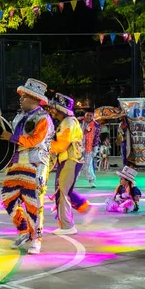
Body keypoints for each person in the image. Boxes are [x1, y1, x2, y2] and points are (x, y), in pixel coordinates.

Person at [0, 79, 54, 254]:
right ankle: (24, 230)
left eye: (24, 96)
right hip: (17, 162)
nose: (20, 99)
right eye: (22, 96)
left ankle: (36, 238)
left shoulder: (44, 118)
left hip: (36, 164)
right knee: (8, 198)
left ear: (34, 99)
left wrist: (12, 138)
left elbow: (35, 140)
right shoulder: (19, 116)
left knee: (35, 203)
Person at [48, 93, 94, 235]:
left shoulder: (68, 122)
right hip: (67, 160)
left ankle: (68, 226)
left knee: (63, 190)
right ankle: (83, 210)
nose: (51, 110)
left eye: (53, 107)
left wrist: (44, 144)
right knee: (63, 190)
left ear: (60, 108)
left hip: (71, 160)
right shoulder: (65, 122)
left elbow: (61, 145)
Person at [80, 108, 100, 188]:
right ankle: (72, 181)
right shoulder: (78, 121)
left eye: (90, 116)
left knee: (88, 165)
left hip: (88, 148)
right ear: (84, 115)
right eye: (87, 115)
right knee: (75, 165)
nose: (88, 117)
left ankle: (91, 180)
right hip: (77, 147)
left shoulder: (96, 125)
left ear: (93, 116)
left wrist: (95, 148)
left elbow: (96, 137)